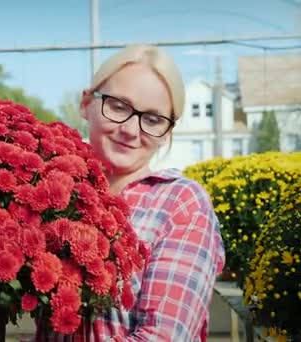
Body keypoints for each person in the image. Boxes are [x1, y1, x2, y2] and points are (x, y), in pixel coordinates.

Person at [37, 45, 225, 341]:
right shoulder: (56, 190)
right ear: (86, 104)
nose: (130, 130)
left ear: (167, 134)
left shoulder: (182, 204)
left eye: (152, 119)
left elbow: (164, 336)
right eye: (119, 106)